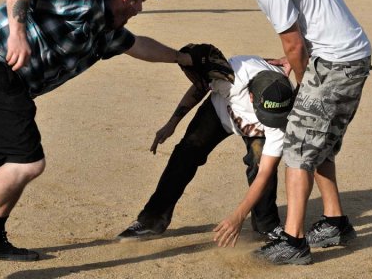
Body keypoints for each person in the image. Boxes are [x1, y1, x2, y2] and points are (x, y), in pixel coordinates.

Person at [0, 0, 194, 261]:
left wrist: (184, 59)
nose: (141, 8)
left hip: (13, 86)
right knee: (26, 164)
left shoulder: (106, 30)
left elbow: (138, 45)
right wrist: (17, 32)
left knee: (11, 168)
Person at [251, 0, 372, 265]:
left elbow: (293, 43)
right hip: (349, 55)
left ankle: (293, 241)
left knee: (298, 147)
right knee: (319, 144)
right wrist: (300, 58)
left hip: (334, 62)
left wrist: (306, 87)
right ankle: (334, 223)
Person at [117, 54, 295, 244]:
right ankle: (151, 221)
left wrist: (238, 215)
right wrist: (172, 122)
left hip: (257, 132)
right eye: (265, 114)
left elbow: (265, 173)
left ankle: (266, 226)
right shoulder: (232, 76)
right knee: (186, 153)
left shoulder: (283, 114)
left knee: (259, 164)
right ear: (251, 96)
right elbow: (200, 86)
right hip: (219, 113)